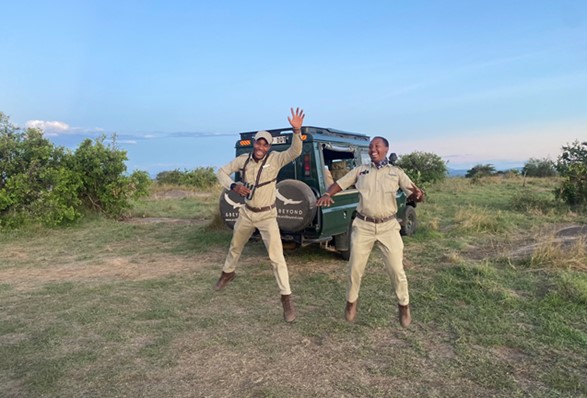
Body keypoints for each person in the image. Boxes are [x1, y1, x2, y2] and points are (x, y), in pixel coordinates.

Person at [316, 136, 424, 327]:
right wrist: (327, 194)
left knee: (396, 270)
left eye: (377, 146)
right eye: (371, 146)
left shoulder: (396, 172)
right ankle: (351, 302)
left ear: (386, 149)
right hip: (363, 225)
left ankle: (404, 306)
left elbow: (414, 193)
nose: (373, 149)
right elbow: (339, 184)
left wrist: (419, 195)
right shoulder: (361, 170)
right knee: (355, 269)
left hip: (388, 227)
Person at [214, 108, 305, 323]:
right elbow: (221, 172)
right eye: (258, 143)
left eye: (265, 144)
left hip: (267, 216)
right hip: (246, 213)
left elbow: (295, 151)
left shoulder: (276, 159)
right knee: (235, 247)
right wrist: (234, 186)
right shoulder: (244, 161)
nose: (260, 147)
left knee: (277, 258)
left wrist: (297, 130)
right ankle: (228, 273)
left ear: (269, 147)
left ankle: (286, 299)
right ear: (254, 143)